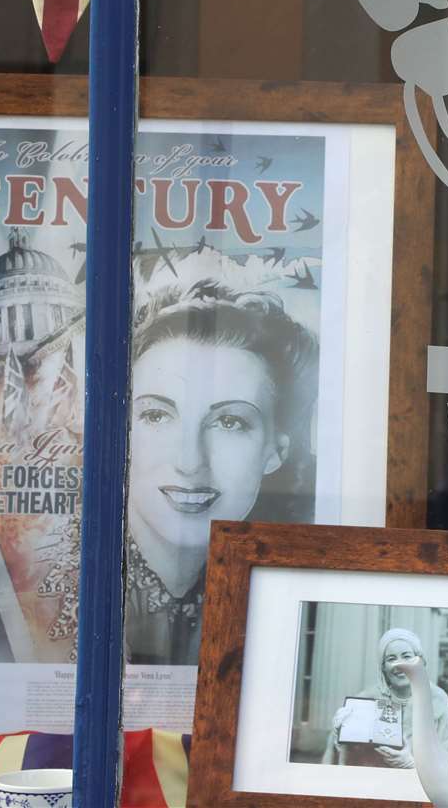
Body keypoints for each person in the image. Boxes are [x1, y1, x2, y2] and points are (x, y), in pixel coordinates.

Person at [125, 267, 317, 665]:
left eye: (230, 422)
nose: (190, 462)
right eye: (157, 416)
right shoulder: (2, 582)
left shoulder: (292, 592)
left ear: (275, 450)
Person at [322, 628, 448, 769]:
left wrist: (412, 765)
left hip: (416, 790)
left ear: (420, 661)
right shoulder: (365, 702)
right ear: (383, 668)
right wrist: (340, 736)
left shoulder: (438, 704)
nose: (399, 664)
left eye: (406, 656)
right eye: (391, 659)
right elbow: (343, 765)